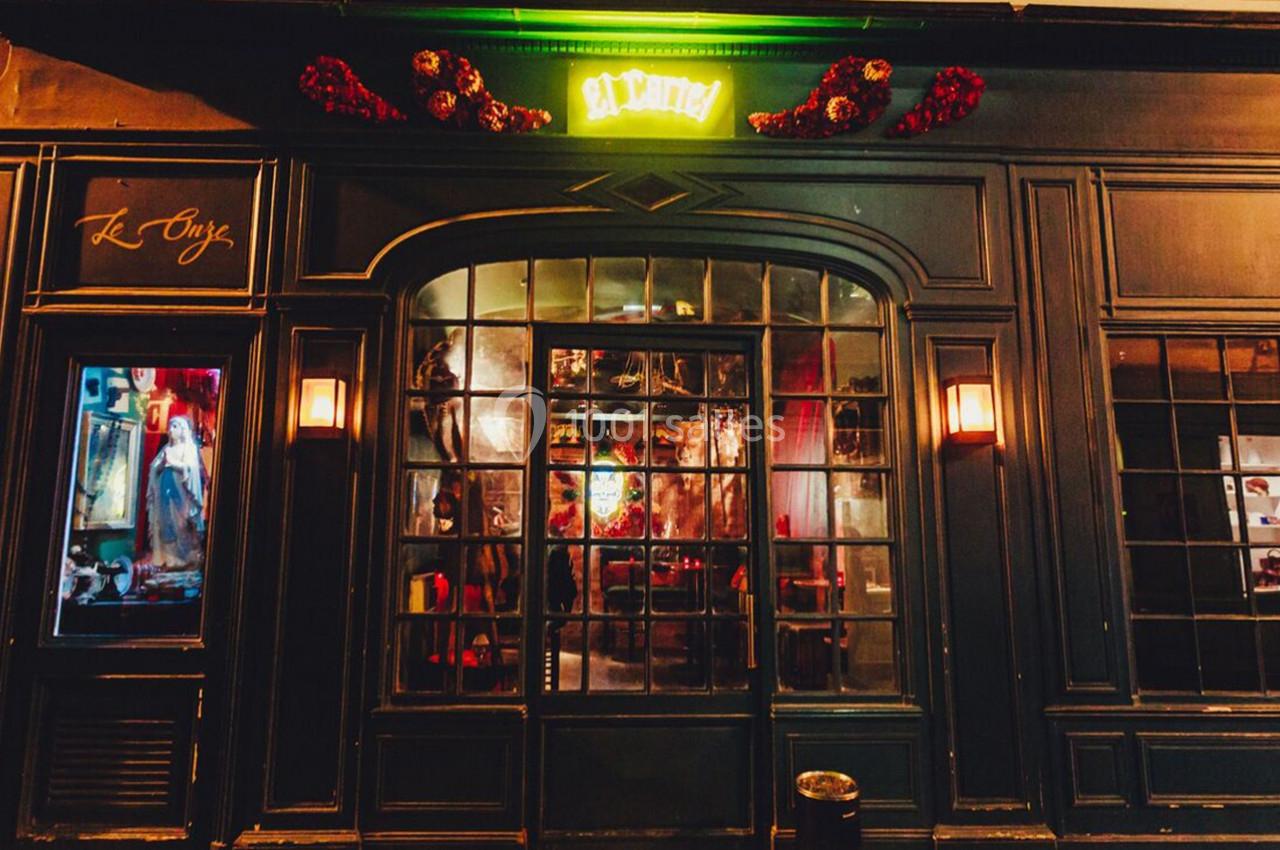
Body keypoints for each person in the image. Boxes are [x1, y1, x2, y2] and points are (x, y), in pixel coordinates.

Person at [146, 415, 206, 568]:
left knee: (180, 524)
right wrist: (159, 468)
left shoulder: (189, 448)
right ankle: (168, 558)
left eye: (175, 427)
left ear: (183, 430)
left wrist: (174, 463)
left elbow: (191, 469)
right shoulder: (167, 449)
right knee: (166, 522)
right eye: (170, 427)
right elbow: (154, 468)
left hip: (180, 493)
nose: (170, 430)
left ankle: (183, 558)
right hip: (164, 491)